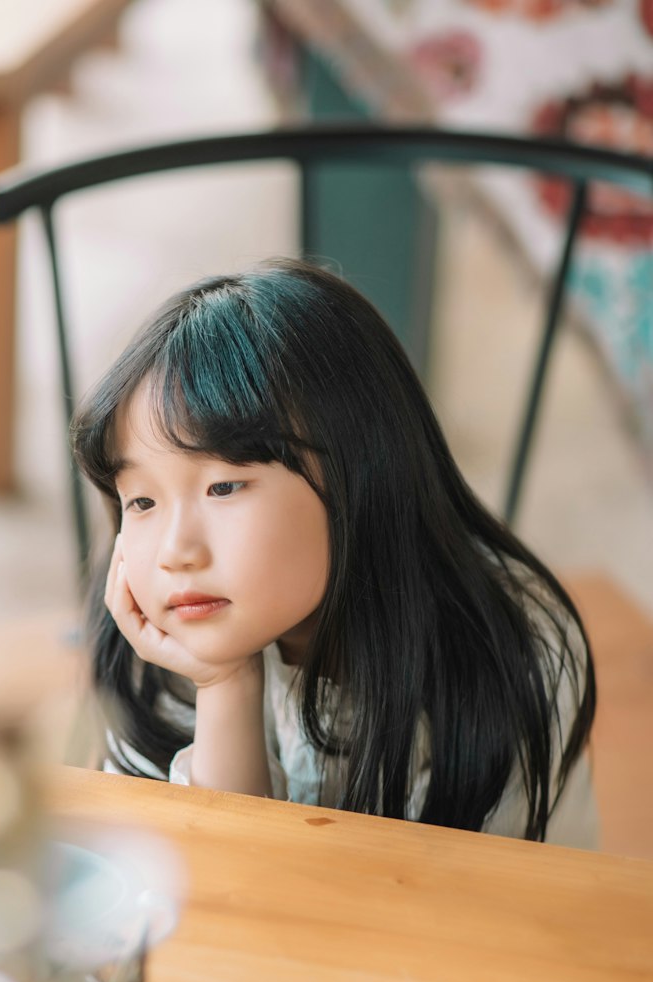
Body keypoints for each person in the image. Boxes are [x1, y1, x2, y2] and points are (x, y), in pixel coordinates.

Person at [71, 258, 598, 848]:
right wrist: (224, 686)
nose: (174, 552)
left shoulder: (506, 656)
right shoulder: (151, 651)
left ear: (358, 476)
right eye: (141, 502)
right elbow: (215, 896)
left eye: (223, 486)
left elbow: (507, 912)